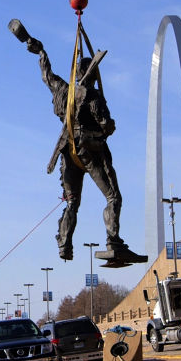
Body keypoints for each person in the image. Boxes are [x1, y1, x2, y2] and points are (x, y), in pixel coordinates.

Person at [25, 36, 146, 266]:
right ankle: (113, 242)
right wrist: (109, 126)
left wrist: (41, 52)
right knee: (113, 197)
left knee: (72, 203)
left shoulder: (63, 90)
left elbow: (47, 76)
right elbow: (105, 125)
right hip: (90, 150)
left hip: (68, 152)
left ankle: (64, 243)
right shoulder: (93, 96)